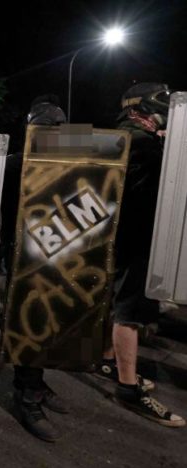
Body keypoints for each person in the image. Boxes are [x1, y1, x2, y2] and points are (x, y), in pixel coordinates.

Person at [99, 82, 183, 427]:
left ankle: (109, 360)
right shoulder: (146, 143)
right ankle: (128, 387)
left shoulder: (123, 136)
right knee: (128, 313)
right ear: (140, 110)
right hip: (136, 240)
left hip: (120, 237)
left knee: (117, 303)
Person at [1, 95, 71, 442]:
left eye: (59, 130)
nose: (53, 136)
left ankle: (37, 384)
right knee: (30, 324)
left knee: (48, 323)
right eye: (46, 130)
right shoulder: (14, 163)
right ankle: (26, 395)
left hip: (57, 253)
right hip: (22, 257)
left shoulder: (70, 163)